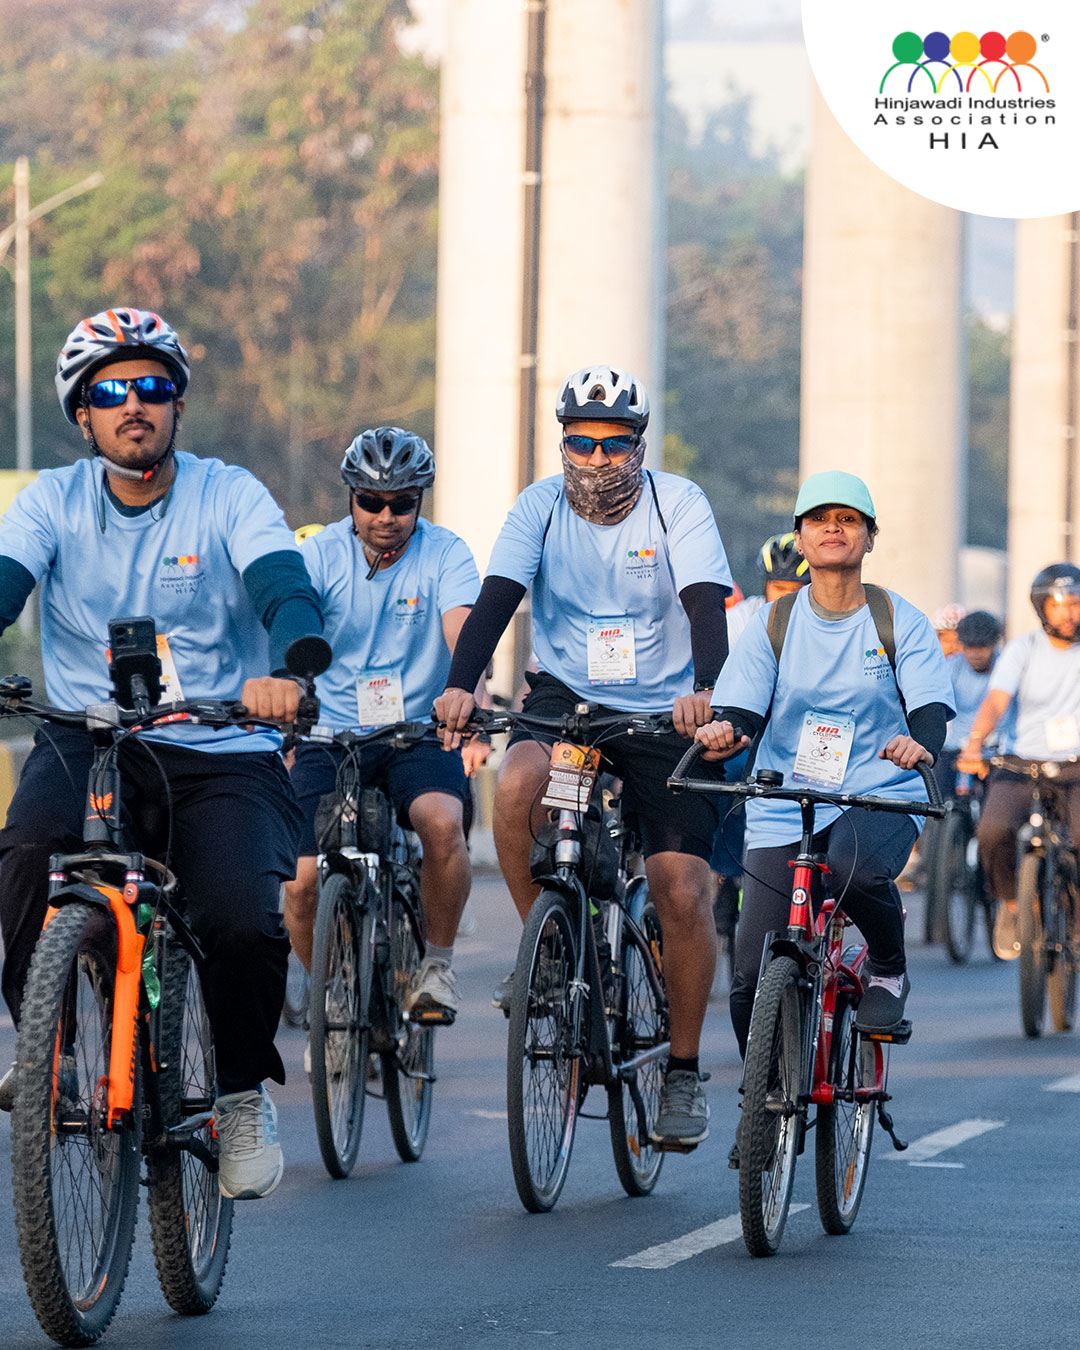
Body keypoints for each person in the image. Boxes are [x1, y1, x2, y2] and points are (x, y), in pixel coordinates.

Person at [0, 307, 325, 1201]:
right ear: (84, 416)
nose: (133, 405)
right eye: (111, 393)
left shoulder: (229, 494)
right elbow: (7, 579)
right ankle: (53, 1045)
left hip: (219, 743)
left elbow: (281, 582)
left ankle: (240, 1095)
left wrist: (292, 666)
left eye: (151, 387)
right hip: (90, 736)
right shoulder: (52, 502)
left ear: (178, 402)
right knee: (25, 854)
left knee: (241, 919)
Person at [435, 365, 732, 1151]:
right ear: (563, 443)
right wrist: (460, 686)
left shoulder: (679, 503)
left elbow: (706, 604)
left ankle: (681, 1073)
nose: (598, 458)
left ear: (640, 445)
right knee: (519, 784)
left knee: (681, 888)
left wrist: (707, 690)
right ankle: (548, 948)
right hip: (569, 701)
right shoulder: (538, 505)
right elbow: (497, 600)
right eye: (582, 443)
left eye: (615, 444)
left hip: (665, 710)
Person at [695, 471, 954, 1080]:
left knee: (852, 868)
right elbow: (741, 710)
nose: (832, 529)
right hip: (786, 799)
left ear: (869, 537)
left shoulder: (899, 620)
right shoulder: (773, 623)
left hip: (879, 794)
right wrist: (723, 731)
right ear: (801, 536)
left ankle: (887, 967)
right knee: (749, 978)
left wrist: (919, 744)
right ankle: (767, 1103)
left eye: (847, 519)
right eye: (818, 519)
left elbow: (930, 710)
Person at [283, 428, 483, 1027]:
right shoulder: (318, 555)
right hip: (331, 735)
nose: (386, 516)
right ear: (351, 498)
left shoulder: (446, 552)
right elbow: (293, 628)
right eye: (371, 502)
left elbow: (463, 630)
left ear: (421, 501)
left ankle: (437, 965)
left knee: (442, 825)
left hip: (416, 731)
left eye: (402, 503)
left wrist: (466, 691)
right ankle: (332, 993)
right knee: (299, 882)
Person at [958, 565, 1080, 960]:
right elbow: (996, 701)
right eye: (1058, 605)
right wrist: (974, 744)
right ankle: (1012, 905)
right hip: (1022, 762)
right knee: (993, 831)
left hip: (1075, 766)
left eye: (1075, 603)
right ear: (1042, 608)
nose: (1068, 613)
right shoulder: (1022, 649)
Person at [711, 534, 812, 982]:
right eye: (777, 589)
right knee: (719, 775)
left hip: (803, 741)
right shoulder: (745, 617)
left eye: (792, 591)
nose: (782, 598)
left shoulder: (825, 621)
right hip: (749, 732)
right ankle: (722, 872)